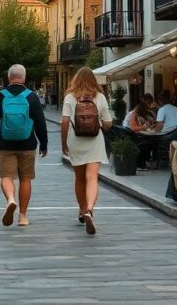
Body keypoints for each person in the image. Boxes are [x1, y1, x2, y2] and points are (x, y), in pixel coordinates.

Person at [0, 64, 48, 227]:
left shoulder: (0, 96)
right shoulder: (31, 96)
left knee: (6, 177)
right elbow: (41, 123)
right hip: (27, 143)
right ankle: (22, 216)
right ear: (24, 78)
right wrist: (44, 144)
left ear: (9, 78)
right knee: (25, 179)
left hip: (6, 143)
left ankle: (10, 199)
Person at [60, 67, 113, 235]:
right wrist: (101, 123)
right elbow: (108, 123)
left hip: (76, 140)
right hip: (94, 140)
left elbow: (64, 122)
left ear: (75, 80)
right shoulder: (100, 97)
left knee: (79, 178)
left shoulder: (70, 97)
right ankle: (90, 209)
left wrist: (64, 144)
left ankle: (82, 210)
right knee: (92, 178)